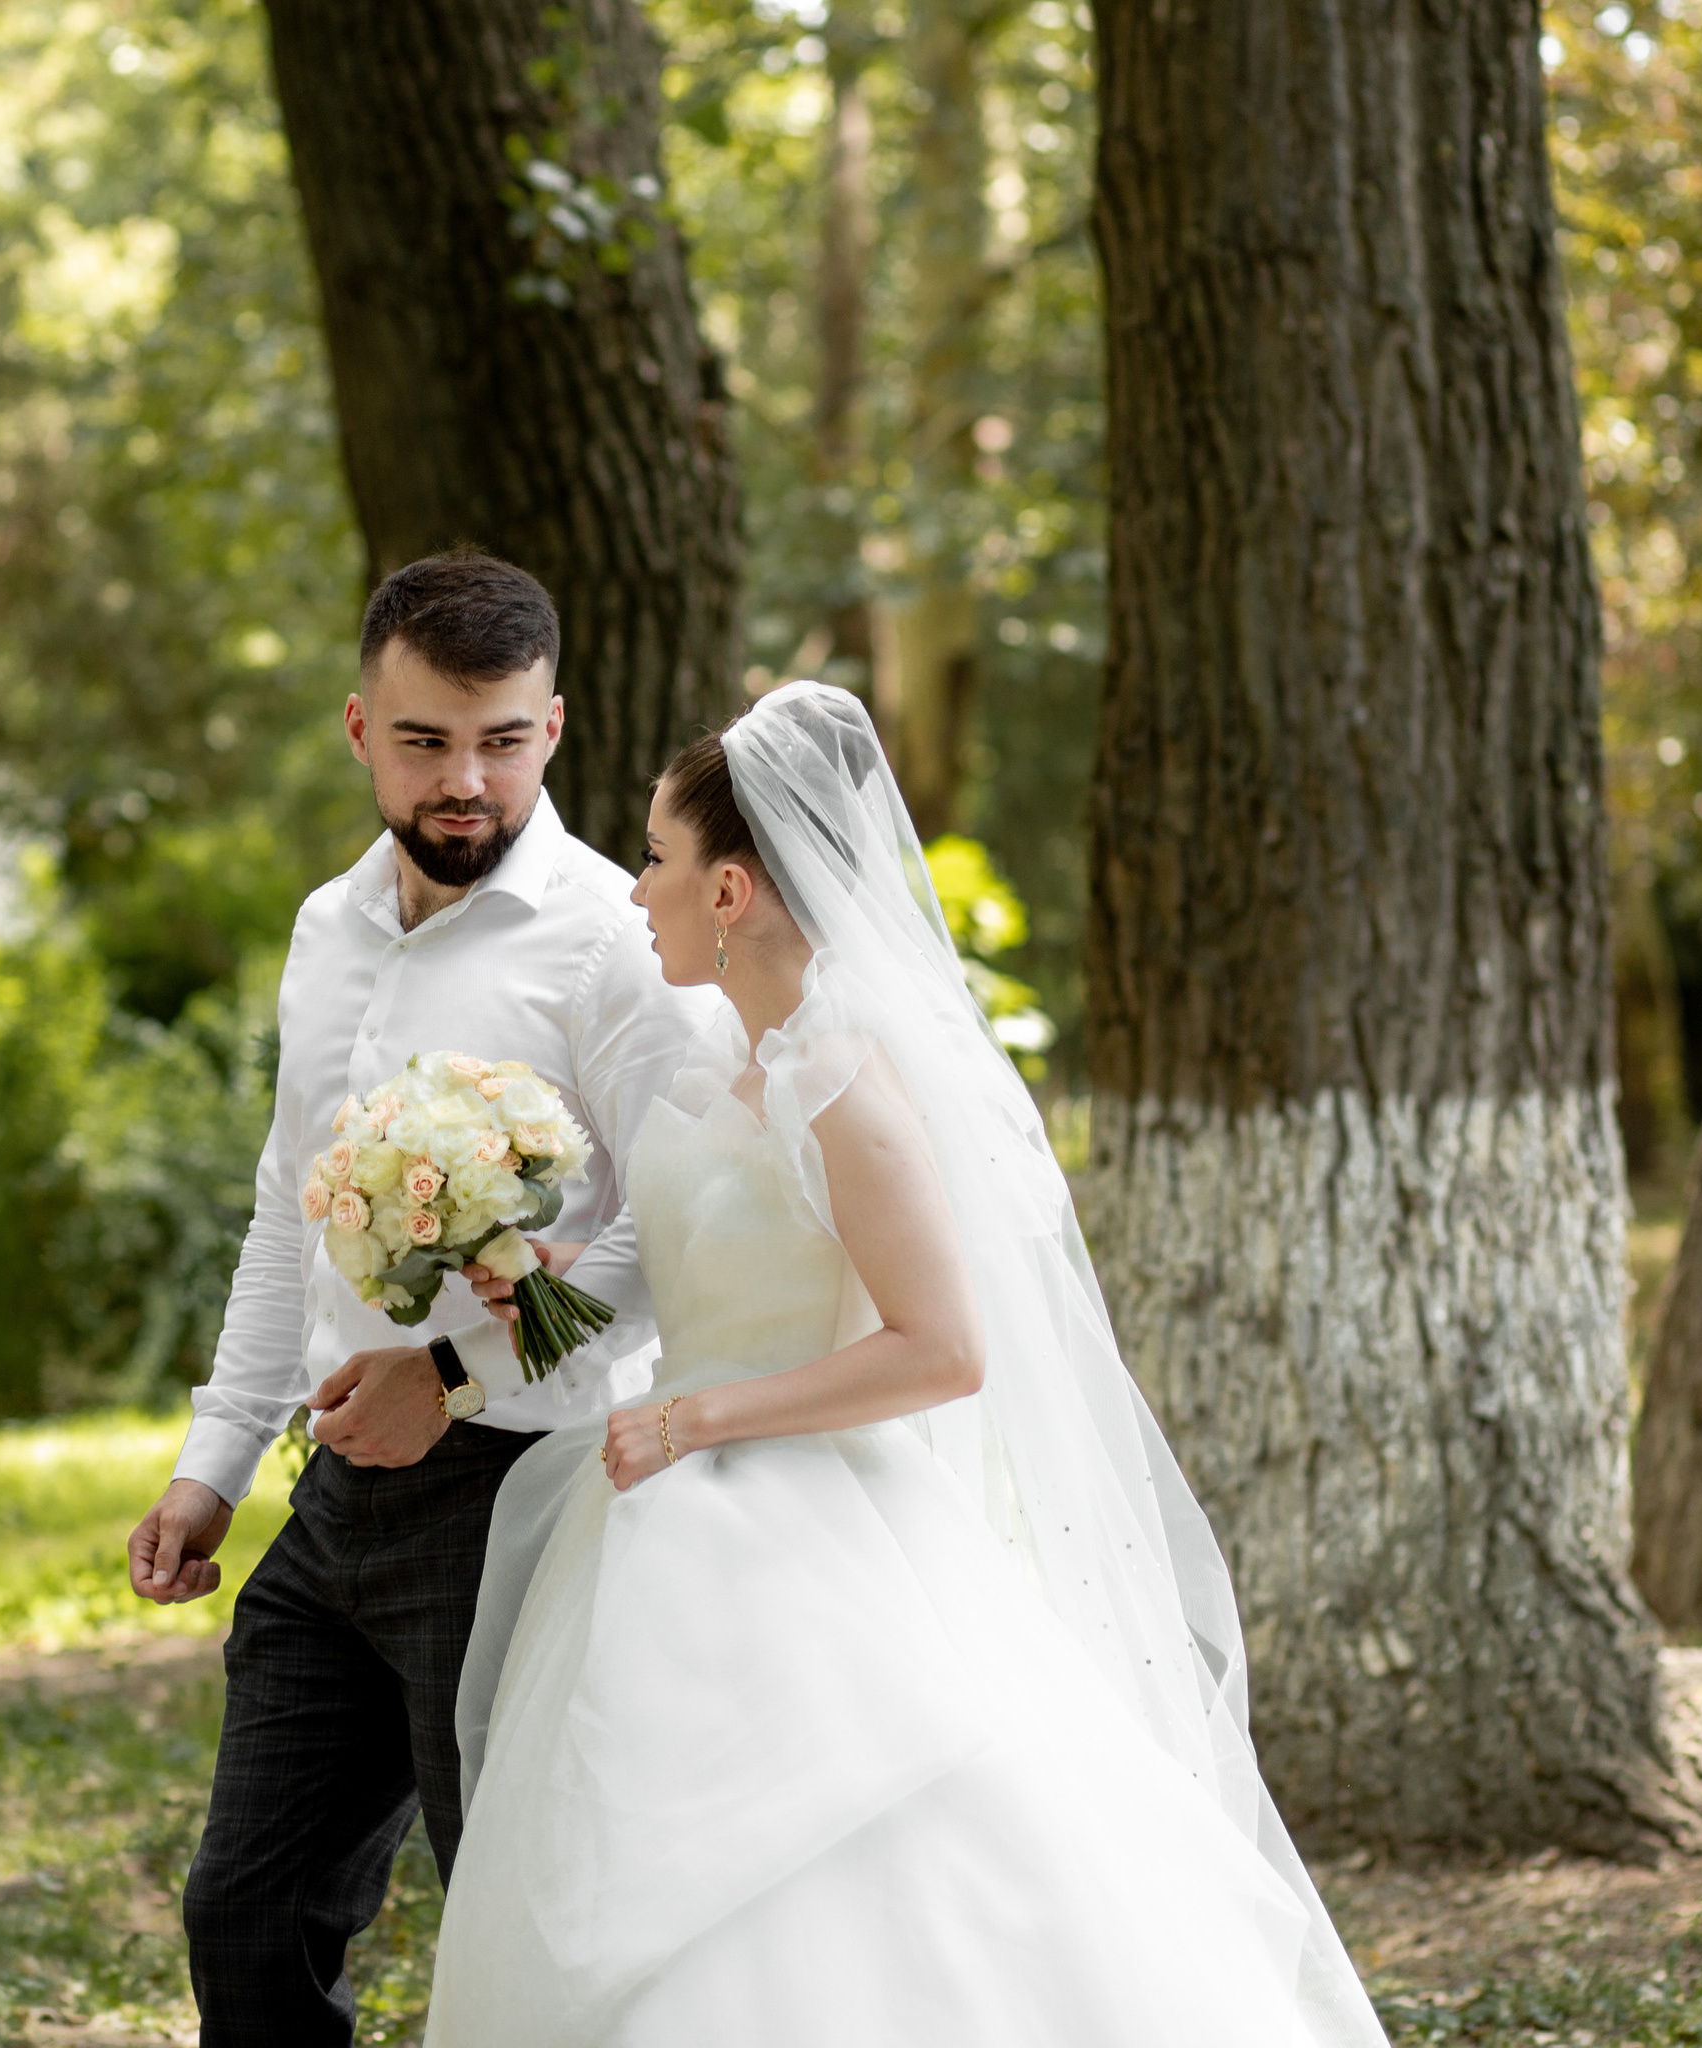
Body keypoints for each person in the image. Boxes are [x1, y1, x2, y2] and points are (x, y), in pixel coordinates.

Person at [424, 680, 1389, 2046]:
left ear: (735, 889)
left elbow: (943, 1349)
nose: (639, 889)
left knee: (867, 1862)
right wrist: (534, 1293)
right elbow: (708, 1273)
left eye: (658, 858)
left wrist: (701, 1420)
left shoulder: (846, 1083)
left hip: (806, 1522)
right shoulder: (731, 1067)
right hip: (664, 1524)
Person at [124, 549, 717, 2048]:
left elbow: (673, 1239)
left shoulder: (615, 942)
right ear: (357, 728)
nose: (468, 781)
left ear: (556, 728)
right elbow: (287, 1212)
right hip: (336, 1502)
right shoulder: (326, 932)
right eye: (426, 741)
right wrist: (212, 1465)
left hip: (526, 1494)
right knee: (245, 1913)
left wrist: (447, 1375)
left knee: (516, 1933)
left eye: (503, 741)